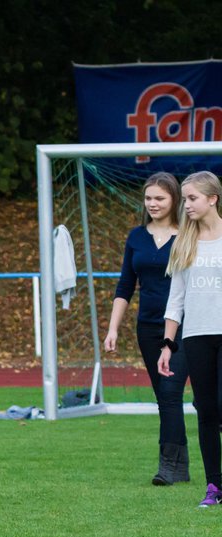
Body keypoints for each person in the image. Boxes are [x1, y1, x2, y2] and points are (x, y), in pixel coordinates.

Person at [103, 171, 189, 485]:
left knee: (170, 393)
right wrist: (113, 329)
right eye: (148, 198)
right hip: (148, 327)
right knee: (166, 397)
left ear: (174, 200)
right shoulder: (136, 237)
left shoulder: (190, 235)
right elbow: (125, 286)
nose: (152, 203)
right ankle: (178, 467)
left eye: (159, 198)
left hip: (185, 326)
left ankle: (168, 467)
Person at [159, 170, 222, 507]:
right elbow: (176, 300)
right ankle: (215, 486)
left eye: (192, 198)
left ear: (213, 198)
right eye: (184, 199)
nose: (187, 205)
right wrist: (169, 345)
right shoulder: (183, 242)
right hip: (196, 337)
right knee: (206, 411)